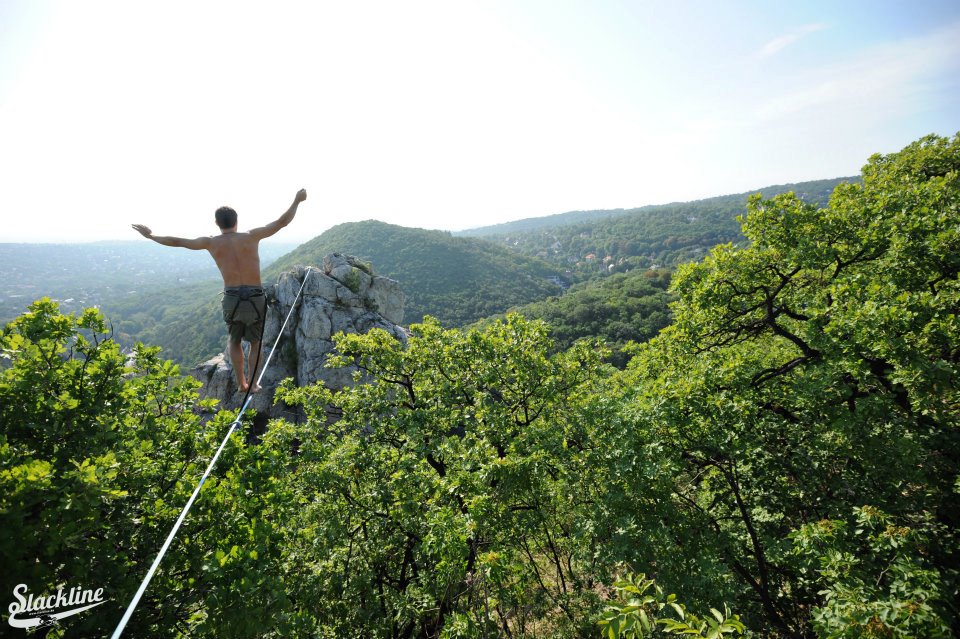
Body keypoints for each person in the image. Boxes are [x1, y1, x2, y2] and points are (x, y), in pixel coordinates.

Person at [132, 188, 307, 393]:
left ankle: (241, 383)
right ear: (237, 221)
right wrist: (297, 201)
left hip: (232, 297)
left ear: (217, 223)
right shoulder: (251, 236)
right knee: (255, 342)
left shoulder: (211, 242)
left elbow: (177, 241)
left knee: (234, 340)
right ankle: (253, 383)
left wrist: (151, 236)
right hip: (256, 296)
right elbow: (282, 222)